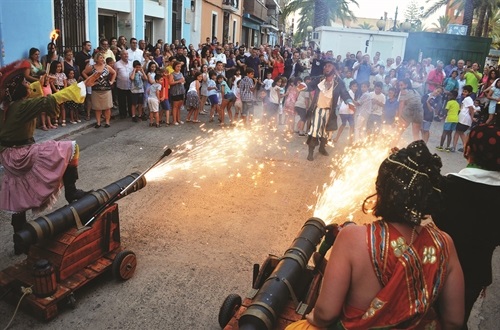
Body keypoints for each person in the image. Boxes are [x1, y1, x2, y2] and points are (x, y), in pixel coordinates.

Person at [286, 140, 464, 330]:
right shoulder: (444, 243)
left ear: (383, 190)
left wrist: (313, 317)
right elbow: (454, 321)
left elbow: (326, 313)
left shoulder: (352, 237)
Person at [0, 60, 99, 254]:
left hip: (7, 157)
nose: (30, 84)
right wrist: (82, 85)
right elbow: (51, 100)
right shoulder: (22, 106)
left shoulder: (6, 106)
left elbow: (39, 92)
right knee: (72, 147)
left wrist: (43, 83)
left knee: (18, 193)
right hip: (21, 154)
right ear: (20, 91)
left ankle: (20, 241)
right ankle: (71, 191)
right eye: (26, 84)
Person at [433, 124, 500, 329]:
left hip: (438, 271)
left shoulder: (449, 187)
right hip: (475, 274)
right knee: (458, 319)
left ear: (467, 150)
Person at [304, 60, 354, 161]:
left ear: (334, 69)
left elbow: (345, 94)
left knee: (326, 132)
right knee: (314, 131)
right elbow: (310, 86)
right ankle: (310, 152)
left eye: (329, 66)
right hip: (317, 109)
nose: (326, 68)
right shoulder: (319, 79)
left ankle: (322, 148)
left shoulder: (339, 83)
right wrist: (303, 86)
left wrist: (350, 102)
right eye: (325, 66)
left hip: (330, 112)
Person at [452, 85, 475, 152]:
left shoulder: (468, 99)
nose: (464, 93)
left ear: (469, 93)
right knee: (459, 132)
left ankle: (464, 147)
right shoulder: (468, 99)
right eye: (463, 91)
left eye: (466, 92)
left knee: (459, 133)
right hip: (463, 119)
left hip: (464, 119)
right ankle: (457, 146)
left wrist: (472, 118)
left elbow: (471, 109)